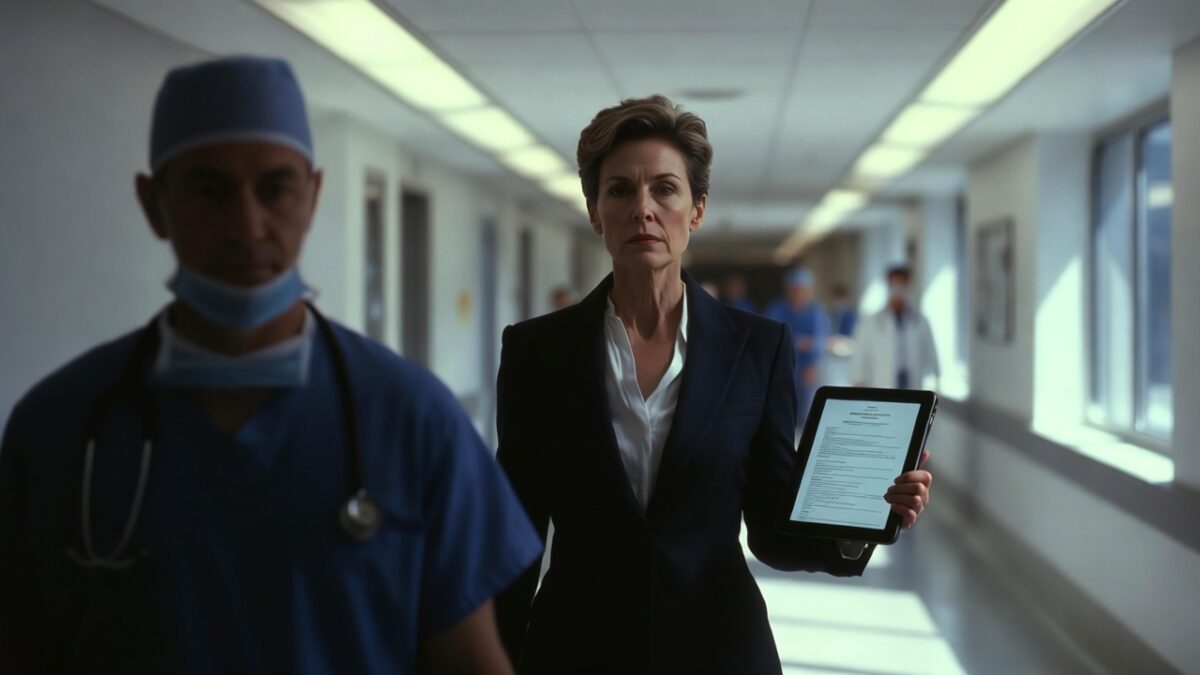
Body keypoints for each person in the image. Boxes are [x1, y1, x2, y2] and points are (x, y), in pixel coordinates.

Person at [0, 57, 540, 674]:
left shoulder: (412, 418)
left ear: (311, 197)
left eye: (275, 188)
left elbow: (470, 661)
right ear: (154, 204)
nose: (247, 223)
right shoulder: (59, 428)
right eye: (210, 190)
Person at [493, 95, 933, 674]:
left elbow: (772, 524)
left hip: (718, 648)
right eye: (620, 190)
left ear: (696, 210)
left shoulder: (756, 348)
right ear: (595, 211)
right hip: (578, 648)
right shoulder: (537, 353)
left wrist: (859, 525)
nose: (642, 209)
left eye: (665, 190)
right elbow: (514, 534)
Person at [850, 264, 940, 389]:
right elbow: (859, 357)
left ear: (908, 286)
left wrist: (935, 381)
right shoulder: (870, 323)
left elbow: (931, 356)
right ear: (888, 286)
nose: (898, 290)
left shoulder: (920, 321)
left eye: (902, 286)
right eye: (895, 286)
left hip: (912, 386)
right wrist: (859, 382)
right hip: (881, 386)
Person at [764, 268, 830, 425]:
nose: (799, 294)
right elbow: (769, 338)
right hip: (780, 367)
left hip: (807, 371)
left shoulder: (816, 312)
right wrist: (800, 342)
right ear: (788, 290)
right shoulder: (776, 310)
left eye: (803, 290)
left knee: (807, 413)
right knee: (780, 411)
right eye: (795, 289)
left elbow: (821, 340)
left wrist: (813, 365)